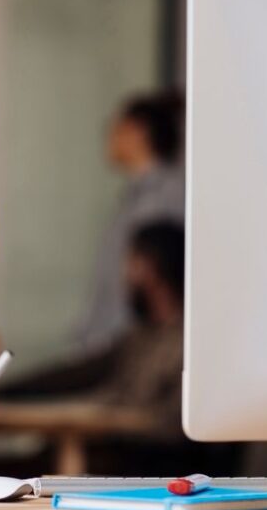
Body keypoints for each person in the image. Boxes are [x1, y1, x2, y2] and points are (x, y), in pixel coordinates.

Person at [0, 221, 186, 436]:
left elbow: (166, 424)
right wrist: (8, 390)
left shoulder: (184, 346)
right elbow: (77, 374)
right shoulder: (139, 339)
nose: (124, 274)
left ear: (151, 267)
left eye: (132, 262)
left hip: (133, 459)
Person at [74, 91, 185, 355]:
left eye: (115, 128)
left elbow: (153, 282)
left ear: (138, 131)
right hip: (112, 342)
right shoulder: (133, 198)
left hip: (131, 347)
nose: (109, 138)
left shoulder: (165, 198)